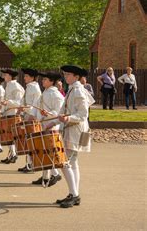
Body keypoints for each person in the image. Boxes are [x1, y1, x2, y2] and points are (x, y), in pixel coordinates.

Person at [55, 65, 95, 208]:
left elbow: (83, 114)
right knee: (72, 163)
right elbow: (63, 110)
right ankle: (74, 194)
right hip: (72, 130)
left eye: (68, 74)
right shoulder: (72, 89)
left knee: (65, 162)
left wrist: (68, 118)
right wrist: (52, 122)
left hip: (75, 131)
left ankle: (75, 194)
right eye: (65, 74)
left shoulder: (78, 91)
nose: (65, 77)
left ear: (76, 76)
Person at [29, 72, 64, 187]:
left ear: (51, 81)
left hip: (51, 126)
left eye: (45, 79)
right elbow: (37, 106)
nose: (43, 81)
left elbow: (58, 113)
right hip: (42, 125)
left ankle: (54, 175)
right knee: (44, 150)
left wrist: (47, 114)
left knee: (49, 151)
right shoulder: (45, 92)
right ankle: (46, 176)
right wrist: (33, 115)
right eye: (43, 79)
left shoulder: (56, 95)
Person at [0, 68, 25, 164]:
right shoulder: (9, 85)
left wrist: (7, 102)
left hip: (13, 113)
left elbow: (19, 102)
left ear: (10, 76)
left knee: (12, 135)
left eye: (5, 75)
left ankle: (14, 154)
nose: (4, 77)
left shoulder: (16, 86)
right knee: (8, 135)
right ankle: (11, 154)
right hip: (8, 113)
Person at [18, 68, 41, 173]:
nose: (25, 77)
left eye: (27, 76)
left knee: (31, 141)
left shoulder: (35, 88)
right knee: (28, 140)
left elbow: (35, 104)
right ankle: (29, 163)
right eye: (25, 76)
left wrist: (30, 112)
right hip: (27, 114)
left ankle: (32, 164)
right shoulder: (29, 87)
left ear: (32, 78)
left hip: (31, 116)